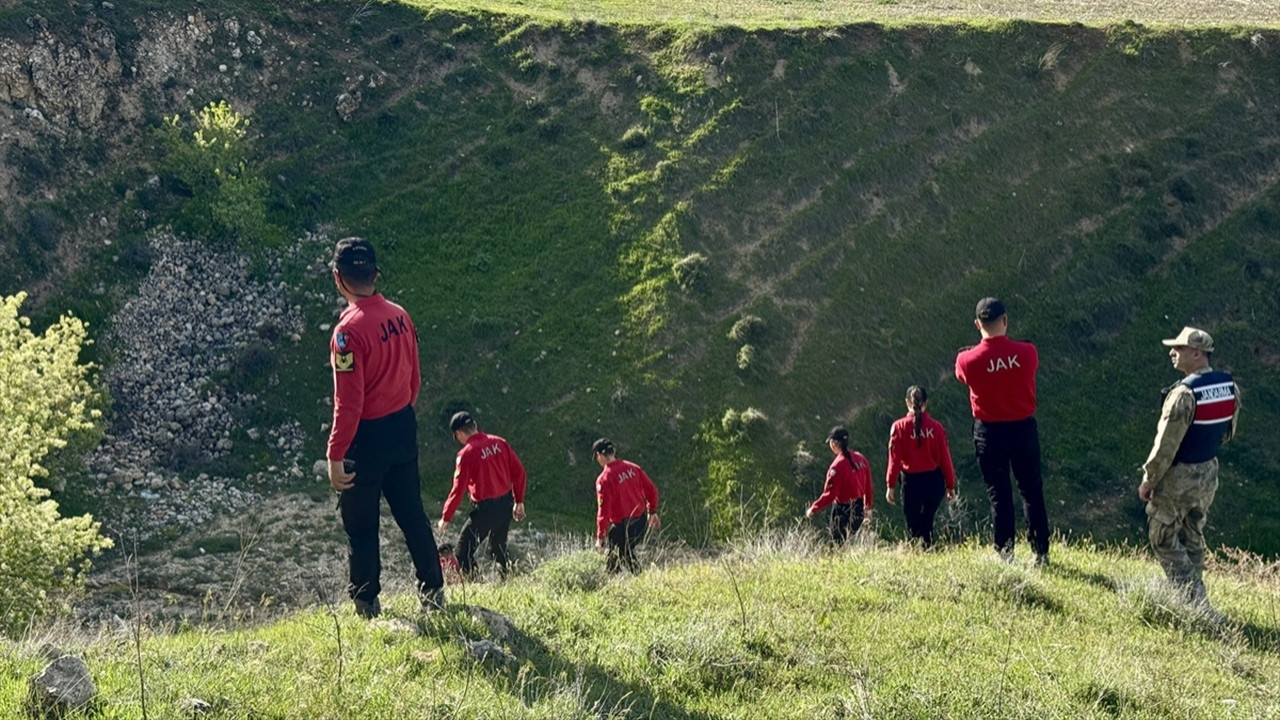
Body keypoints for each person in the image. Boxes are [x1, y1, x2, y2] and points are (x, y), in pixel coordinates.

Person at [325, 237, 444, 619]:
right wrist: (401, 411)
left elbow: (349, 402)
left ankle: (366, 602)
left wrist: (335, 453)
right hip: (402, 426)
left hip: (367, 436)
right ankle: (433, 589)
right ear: (375, 274)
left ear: (337, 278)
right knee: (411, 513)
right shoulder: (400, 315)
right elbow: (414, 380)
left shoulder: (347, 334)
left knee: (361, 525)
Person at [1138, 326, 1239, 608]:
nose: (1173, 352)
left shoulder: (1183, 393)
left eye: (1179, 349)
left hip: (1179, 476)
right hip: (1208, 472)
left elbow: (1166, 445)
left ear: (1197, 353)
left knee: (1162, 535)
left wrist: (1149, 480)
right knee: (1192, 533)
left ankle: (1192, 597)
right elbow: (1228, 431)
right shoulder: (1228, 386)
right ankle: (1193, 596)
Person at [955, 297, 1050, 566]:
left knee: (999, 494)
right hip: (1022, 429)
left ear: (977, 324)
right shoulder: (1028, 353)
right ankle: (1040, 551)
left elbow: (963, 373)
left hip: (989, 433)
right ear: (1005, 320)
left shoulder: (967, 361)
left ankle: (1005, 552)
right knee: (1031, 491)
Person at [438, 411, 527, 578]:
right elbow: (519, 472)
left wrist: (446, 516)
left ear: (459, 433)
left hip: (485, 510)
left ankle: (475, 585)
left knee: (463, 552)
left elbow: (458, 490)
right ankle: (509, 580)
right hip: (506, 504)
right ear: (475, 425)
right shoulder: (499, 442)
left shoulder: (466, 454)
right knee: (498, 548)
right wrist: (519, 500)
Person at [885, 386, 957, 548]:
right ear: (926, 403)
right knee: (927, 519)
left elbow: (894, 459)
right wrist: (950, 484)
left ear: (907, 403)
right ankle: (927, 547)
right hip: (934, 481)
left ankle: (917, 550)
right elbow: (946, 459)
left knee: (912, 523)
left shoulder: (899, 427)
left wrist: (890, 485)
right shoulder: (937, 428)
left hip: (911, 483)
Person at [593, 438, 660, 573]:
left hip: (623, 525)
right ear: (613, 452)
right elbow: (651, 490)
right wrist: (652, 511)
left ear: (600, 455)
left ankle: (636, 579)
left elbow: (603, 512)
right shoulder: (632, 468)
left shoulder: (604, 479)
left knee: (621, 552)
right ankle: (615, 578)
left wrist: (600, 538)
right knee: (617, 552)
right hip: (640, 522)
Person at [805, 426, 873, 544]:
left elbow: (830, 494)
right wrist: (868, 506)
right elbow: (868, 485)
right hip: (858, 507)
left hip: (842, 510)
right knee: (853, 541)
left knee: (838, 544)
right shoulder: (861, 459)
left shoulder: (836, 468)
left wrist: (814, 508)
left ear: (835, 443)